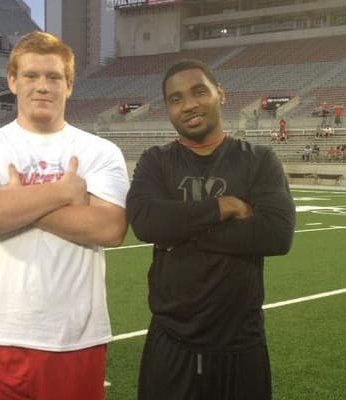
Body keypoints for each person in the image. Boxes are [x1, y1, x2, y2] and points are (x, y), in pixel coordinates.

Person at [0, 31, 129, 400]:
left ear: (70, 85)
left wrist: (13, 203)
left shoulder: (100, 151)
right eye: (31, 76)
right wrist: (62, 193)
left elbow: (110, 228)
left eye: (53, 77)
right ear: (13, 81)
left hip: (75, 338)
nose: (42, 86)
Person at [126, 59, 296, 400]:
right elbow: (145, 222)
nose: (188, 104)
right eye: (175, 99)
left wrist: (177, 230)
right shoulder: (155, 161)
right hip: (172, 340)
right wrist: (225, 206)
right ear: (168, 110)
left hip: (241, 343)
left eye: (198, 91)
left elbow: (276, 234)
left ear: (221, 94)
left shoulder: (259, 160)